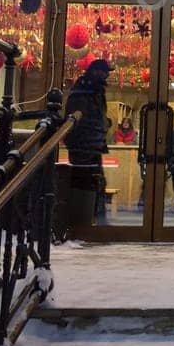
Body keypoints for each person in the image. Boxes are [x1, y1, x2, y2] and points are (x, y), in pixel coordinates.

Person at [65, 59, 113, 223]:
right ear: (96, 71)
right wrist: (102, 125)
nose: (107, 75)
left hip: (89, 144)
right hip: (85, 144)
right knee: (87, 182)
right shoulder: (87, 89)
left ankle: (93, 219)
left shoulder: (90, 88)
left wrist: (104, 123)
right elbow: (82, 116)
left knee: (93, 181)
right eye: (105, 71)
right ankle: (86, 220)